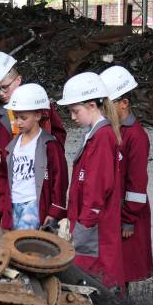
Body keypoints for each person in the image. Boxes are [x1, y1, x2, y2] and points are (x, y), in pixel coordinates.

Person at [0, 52, 66, 225]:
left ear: (18, 80)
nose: (1, 93)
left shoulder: (41, 106)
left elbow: (57, 141)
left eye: (5, 87)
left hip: (38, 187)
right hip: (5, 188)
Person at [58, 72, 125, 288]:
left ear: (92, 105)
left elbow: (97, 189)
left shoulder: (102, 138)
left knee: (93, 282)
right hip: (88, 225)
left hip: (93, 230)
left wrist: (82, 227)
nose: (73, 117)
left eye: (75, 111)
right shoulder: (95, 135)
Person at [100, 65, 153, 291]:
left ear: (124, 103)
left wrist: (129, 218)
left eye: (107, 104)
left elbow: (137, 183)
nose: (103, 110)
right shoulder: (111, 130)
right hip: (114, 211)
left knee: (123, 269)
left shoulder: (136, 136)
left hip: (127, 215)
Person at [0, 83, 68, 230]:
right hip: (12, 206)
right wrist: (1, 208)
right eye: (16, 117)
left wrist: (55, 210)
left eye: (23, 117)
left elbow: (60, 179)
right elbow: (3, 179)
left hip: (34, 206)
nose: (18, 122)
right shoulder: (11, 147)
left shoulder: (50, 145)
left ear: (38, 115)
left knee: (29, 248)